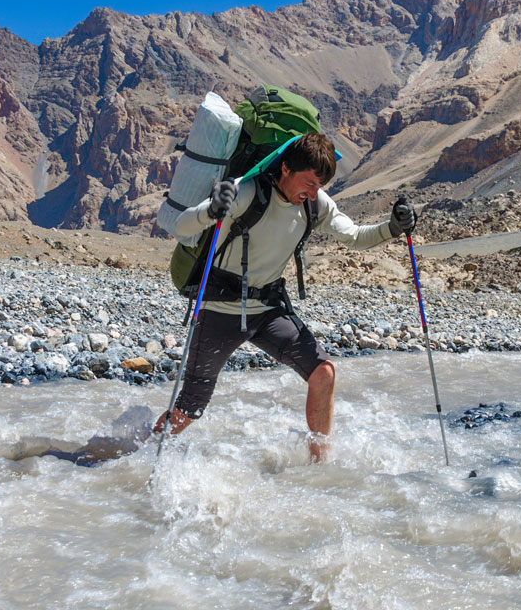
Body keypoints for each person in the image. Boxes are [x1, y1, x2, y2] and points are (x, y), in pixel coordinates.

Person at [154, 131, 416, 462]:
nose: (312, 192)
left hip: (268, 309)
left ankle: (319, 466)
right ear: (286, 169)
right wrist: (211, 210)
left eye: (319, 186)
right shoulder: (245, 193)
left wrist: (393, 227)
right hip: (220, 308)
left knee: (324, 373)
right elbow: (182, 225)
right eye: (308, 182)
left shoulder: (314, 203)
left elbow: (355, 237)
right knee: (191, 407)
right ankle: (141, 451)